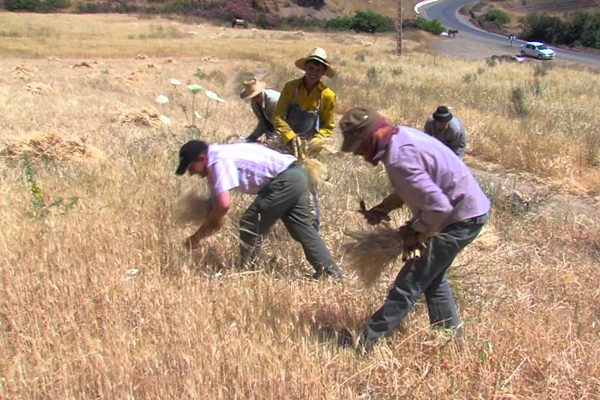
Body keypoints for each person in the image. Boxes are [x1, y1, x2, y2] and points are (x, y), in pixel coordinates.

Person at [338, 107, 491, 353]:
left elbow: (439, 207)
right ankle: (453, 341)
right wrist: (385, 207)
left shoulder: (399, 159)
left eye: (359, 146)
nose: (359, 154)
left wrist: (414, 231)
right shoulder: (402, 138)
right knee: (433, 277)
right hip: (469, 212)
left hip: (459, 219)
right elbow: (418, 185)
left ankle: (365, 342)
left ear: (372, 136)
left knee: (409, 284)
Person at [175, 140, 343, 279]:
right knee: (302, 228)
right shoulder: (218, 155)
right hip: (295, 174)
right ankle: (332, 275)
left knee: (250, 223)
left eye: (191, 169)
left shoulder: (218, 161)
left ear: (201, 158)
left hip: (284, 180)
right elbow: (215, 204)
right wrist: (200, 231)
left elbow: (223, 206)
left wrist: (197, 236)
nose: (192, 174)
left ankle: (248, 273)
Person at [273, 47, 337, 231]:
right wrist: (290, 137)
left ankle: (312, 229)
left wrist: (313, 144)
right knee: (278, 183)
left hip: (309, 149)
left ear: (324, 73)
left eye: (318, 70)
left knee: (309, 188)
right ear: (305, 68)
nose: (313, 73)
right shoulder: (291, 87)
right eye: (311, 68)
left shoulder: (327, 96)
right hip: (284, 143)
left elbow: (328, 126)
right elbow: (278, 117)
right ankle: (273, 223)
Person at [240, 77, 281, 143]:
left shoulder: (273, 101)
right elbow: (262, 123)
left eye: (257, 95)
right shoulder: (255, 104)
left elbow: (284, 123)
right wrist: (252, 137)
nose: (256, 98)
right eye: (253, 97)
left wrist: (272, 141)